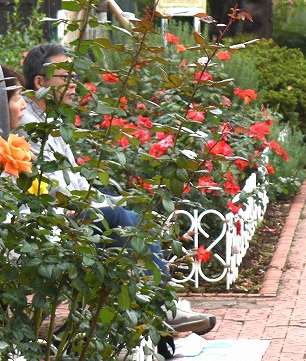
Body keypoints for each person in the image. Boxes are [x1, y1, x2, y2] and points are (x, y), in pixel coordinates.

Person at [18, 43, 217, 337]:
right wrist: (103, 205)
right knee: (116, 216)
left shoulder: (52, 118)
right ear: (40, 82)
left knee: (134, 212)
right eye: (65, 78)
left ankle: (157, 305)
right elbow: (49, 186)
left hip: (68, 212)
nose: (74, 85)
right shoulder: (28, 123)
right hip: (47, 221)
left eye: (75, 77)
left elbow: (77, 181)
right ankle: (160, 309)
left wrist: (112, 199)